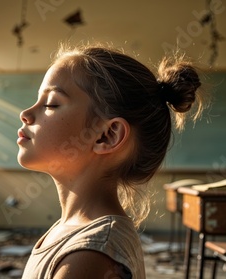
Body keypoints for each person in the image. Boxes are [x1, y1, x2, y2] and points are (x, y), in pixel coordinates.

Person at [17, 43, 207, 278]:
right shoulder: (69, 230)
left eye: (51, 104)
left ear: (108, 135)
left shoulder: (89, 256)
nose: (25, 113)